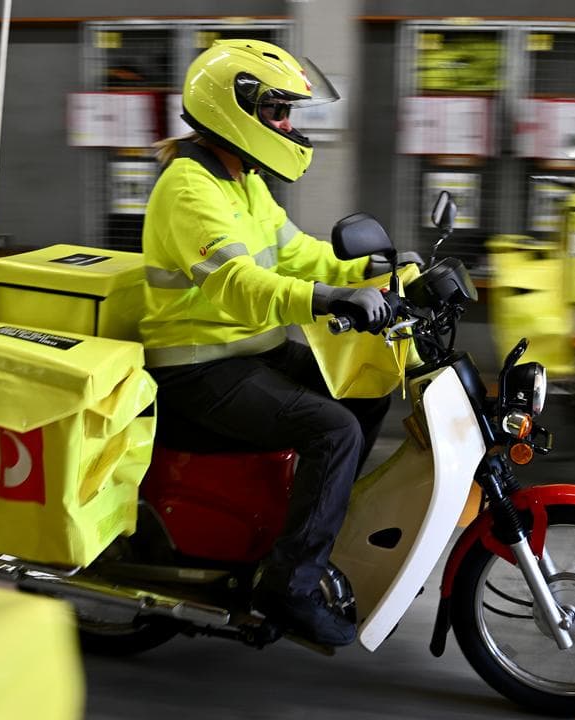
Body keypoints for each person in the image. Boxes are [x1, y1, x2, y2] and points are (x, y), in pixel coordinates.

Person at [140, 39, 415, 647]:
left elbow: (296, 252)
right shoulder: (189, 189)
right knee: (333, 430)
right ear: (233, 109)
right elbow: (238, 285)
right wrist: (329, 298)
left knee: (366, 387)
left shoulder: (242, 179)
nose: (287, 125)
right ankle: (289, 586)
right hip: (198, 367)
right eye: (277, 111)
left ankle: (312, 529)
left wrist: (376, 270)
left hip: (249, 352)